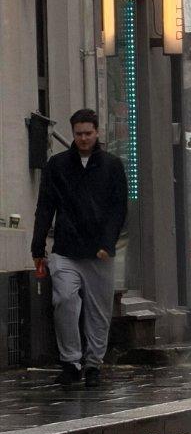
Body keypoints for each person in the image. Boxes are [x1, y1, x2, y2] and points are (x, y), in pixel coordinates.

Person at [31, 108, 128, 386]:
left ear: (96, 132)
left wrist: (107, 243)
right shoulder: (57, 165)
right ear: (73, 134)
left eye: (88, 133)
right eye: (78, 134)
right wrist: (38, 246)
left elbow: (118, 209)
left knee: (98, 312)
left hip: (99, 253)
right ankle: (71, 362)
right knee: (64, 300)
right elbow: (45, 205)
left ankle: (94, 364)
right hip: (66, 249)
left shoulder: (112, 165)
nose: (83, 138)